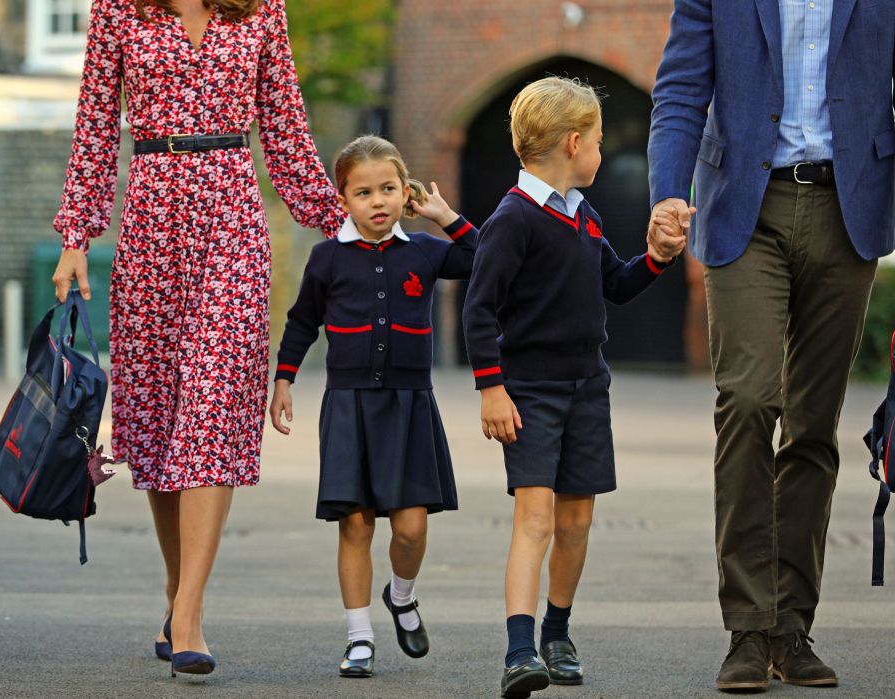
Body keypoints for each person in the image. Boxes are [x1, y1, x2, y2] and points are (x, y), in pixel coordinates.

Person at [49, 0, 345, 677]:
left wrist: (344, 221)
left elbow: (287, 128)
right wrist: (76, 234)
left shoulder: (261, 10)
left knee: (212, 406)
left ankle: (189, 612)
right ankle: (178, 588)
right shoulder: (119, 10)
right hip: (150, 218)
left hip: (232, 219)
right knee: (157, 417)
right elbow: (94, 129)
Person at [648, 1, 895, 691]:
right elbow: (681, 88)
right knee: (750, 398)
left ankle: (792, 627)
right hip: (742, 208)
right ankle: (748, 628)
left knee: (814, 425)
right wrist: (666, 192)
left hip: (849, 208)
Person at [462, 77, 688, 699]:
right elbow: (479, 311)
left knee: (578, 519)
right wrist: (491, 389)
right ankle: (518, 650)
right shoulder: (513, 219)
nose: (600, 150)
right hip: (529, 392)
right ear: (572, 143)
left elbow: (615, 282)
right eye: (596, 141)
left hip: (589, 387)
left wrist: (659, 258)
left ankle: (556, 633)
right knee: (534, 518)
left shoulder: (582, 214)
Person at [268, 135, 477, 678]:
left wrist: (444, 216)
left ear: (404, 191)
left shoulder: (425, 251)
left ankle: (402, 597)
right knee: (355, 526)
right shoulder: (327, 256)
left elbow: (484, 258)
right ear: (343, 199)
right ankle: (359, 638)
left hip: (410, 405)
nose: (378, 201)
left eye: (388, 189)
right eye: (364, 192)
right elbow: (301, 322)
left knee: (409, 529)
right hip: (349, 405)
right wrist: (283, 380)